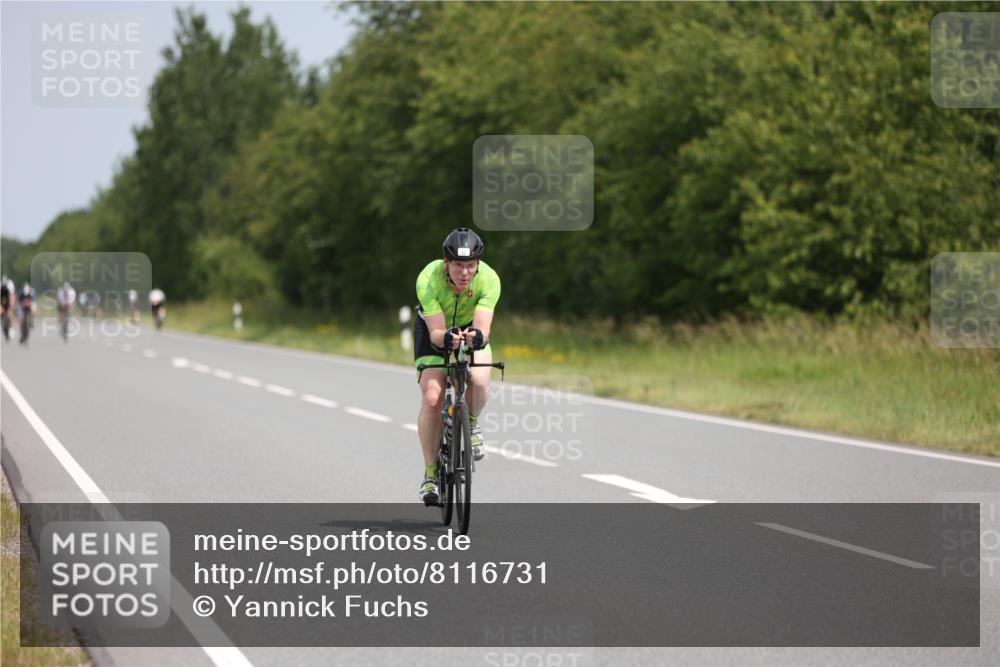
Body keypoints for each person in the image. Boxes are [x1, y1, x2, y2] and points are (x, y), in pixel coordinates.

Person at [413, 228, 500, 504]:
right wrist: (447, 338)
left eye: (471, 266)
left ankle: (471, 425)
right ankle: (430, 474)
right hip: (435, 331)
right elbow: (437, 333)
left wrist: (478, 336)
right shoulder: (428, 279)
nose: (465, 272)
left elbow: (483, 327)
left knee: (480, 381)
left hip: (470, 329)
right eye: (459, 266)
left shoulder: (489, 279)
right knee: (432, 399)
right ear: (446, 263)